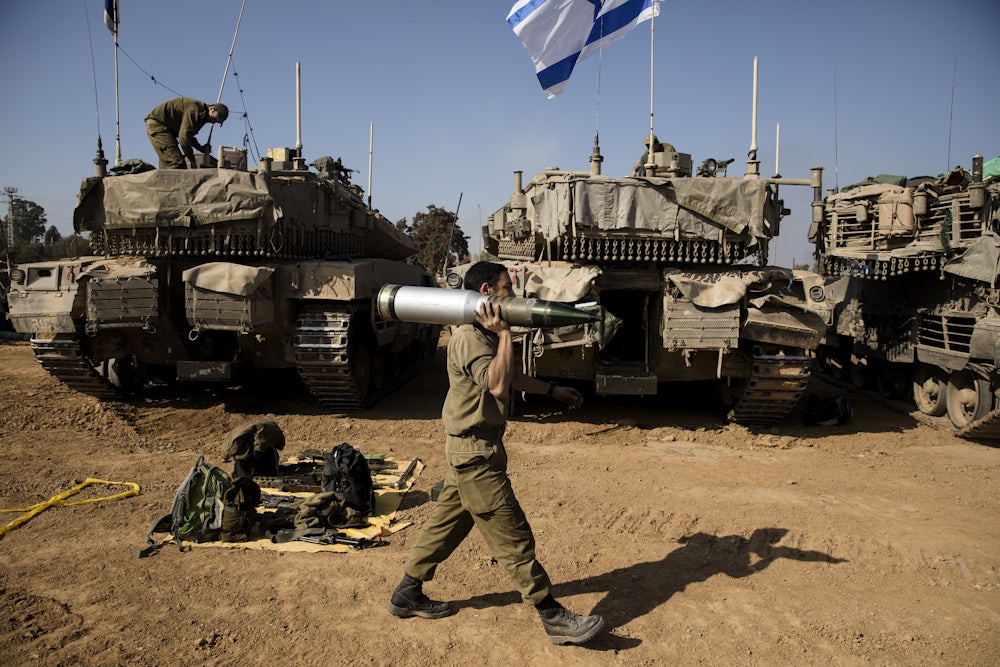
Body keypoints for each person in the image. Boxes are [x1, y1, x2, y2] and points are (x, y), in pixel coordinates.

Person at [387, 261, 606, 646]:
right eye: (508, 287)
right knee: (512, 533)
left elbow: (511, 376)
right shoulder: (471, 337)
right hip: (475, 455)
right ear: (487, 291)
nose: (513, 294)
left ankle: (408, 592)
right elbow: (499, 385)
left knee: (446, 526)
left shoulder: (482, 334)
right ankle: (552, 615)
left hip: (470, 449)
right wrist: (505, 334)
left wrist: (551, 389)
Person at [144, 97, 229, 169]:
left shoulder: (202, 116)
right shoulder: (196, 110)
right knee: (176, 163)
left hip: (167, 129)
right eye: (214, 119)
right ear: (212, 108)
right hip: (158, 125)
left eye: (216, 122)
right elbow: (184, 139)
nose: (213, 122)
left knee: (167, 166)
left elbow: (189, 136)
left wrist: (201, 148)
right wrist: (192, 161)